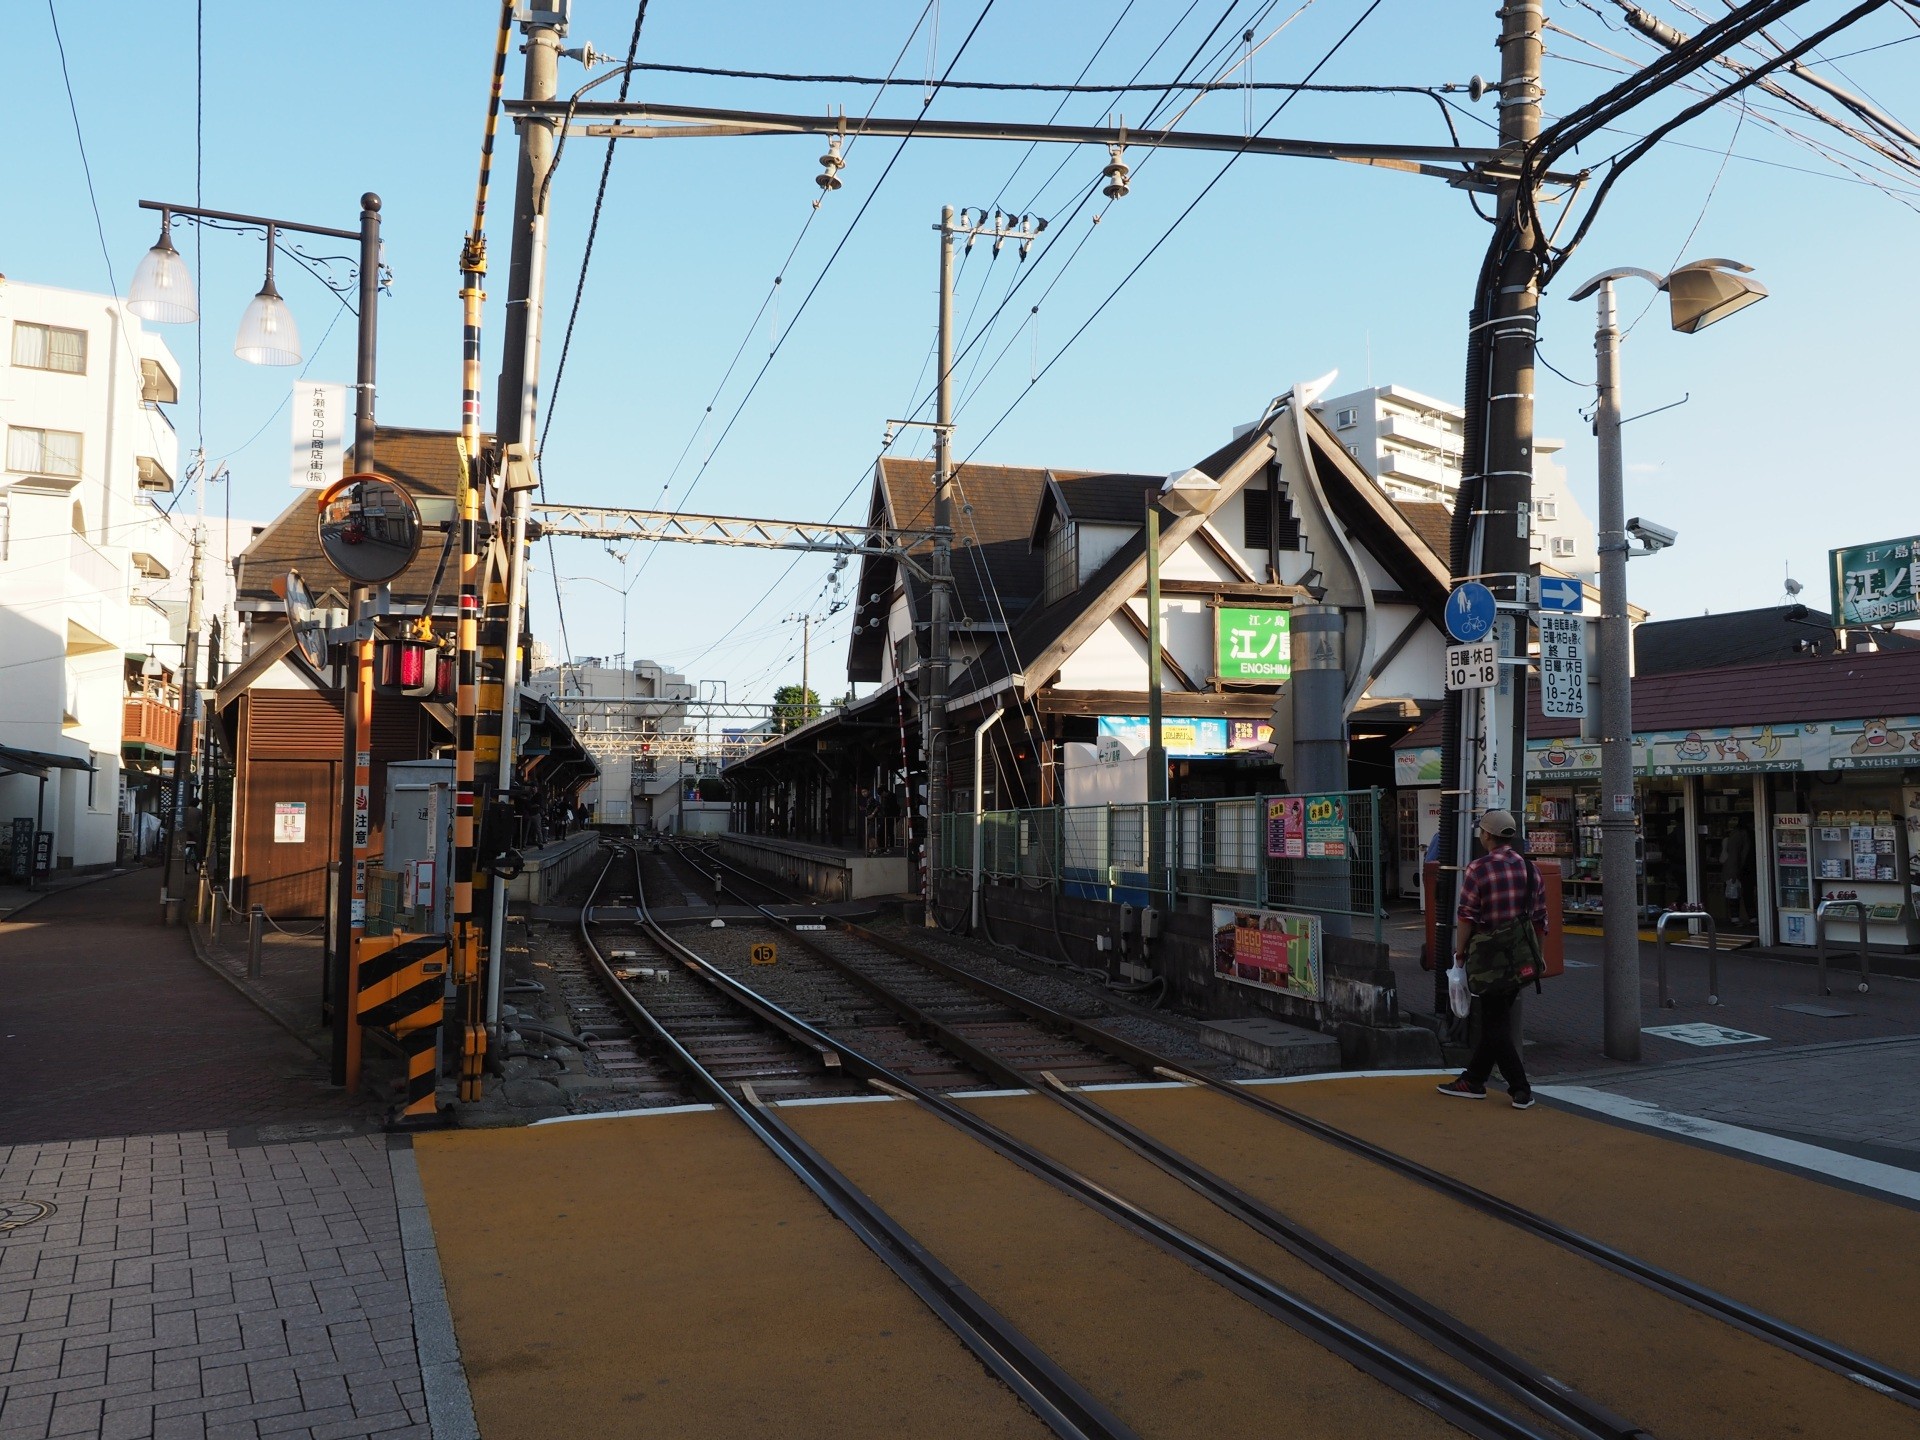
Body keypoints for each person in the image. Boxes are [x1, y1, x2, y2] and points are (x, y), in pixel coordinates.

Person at [1437, 809, 1547, 1109]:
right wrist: (1538, 956)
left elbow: (1466, 917)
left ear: (1486, 835)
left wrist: (1459, 955)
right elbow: (1539, 919)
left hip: (1488, 959)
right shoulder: (1529, 869)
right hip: (1521, 956)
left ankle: (1520, 1088)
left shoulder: (1478, 869)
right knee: (1495, 1019)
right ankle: (1473, 1080)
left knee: (1495, 1025)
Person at [1722, 818, 1754, 928]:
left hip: (1739, 869)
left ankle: (1740, 917)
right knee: (1739, 893)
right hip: (1740, 869)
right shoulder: (1742, 835)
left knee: (1738, 893)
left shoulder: (1736, 834)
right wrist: (1734, 872)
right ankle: (1742, 918)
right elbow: (1735, 855)